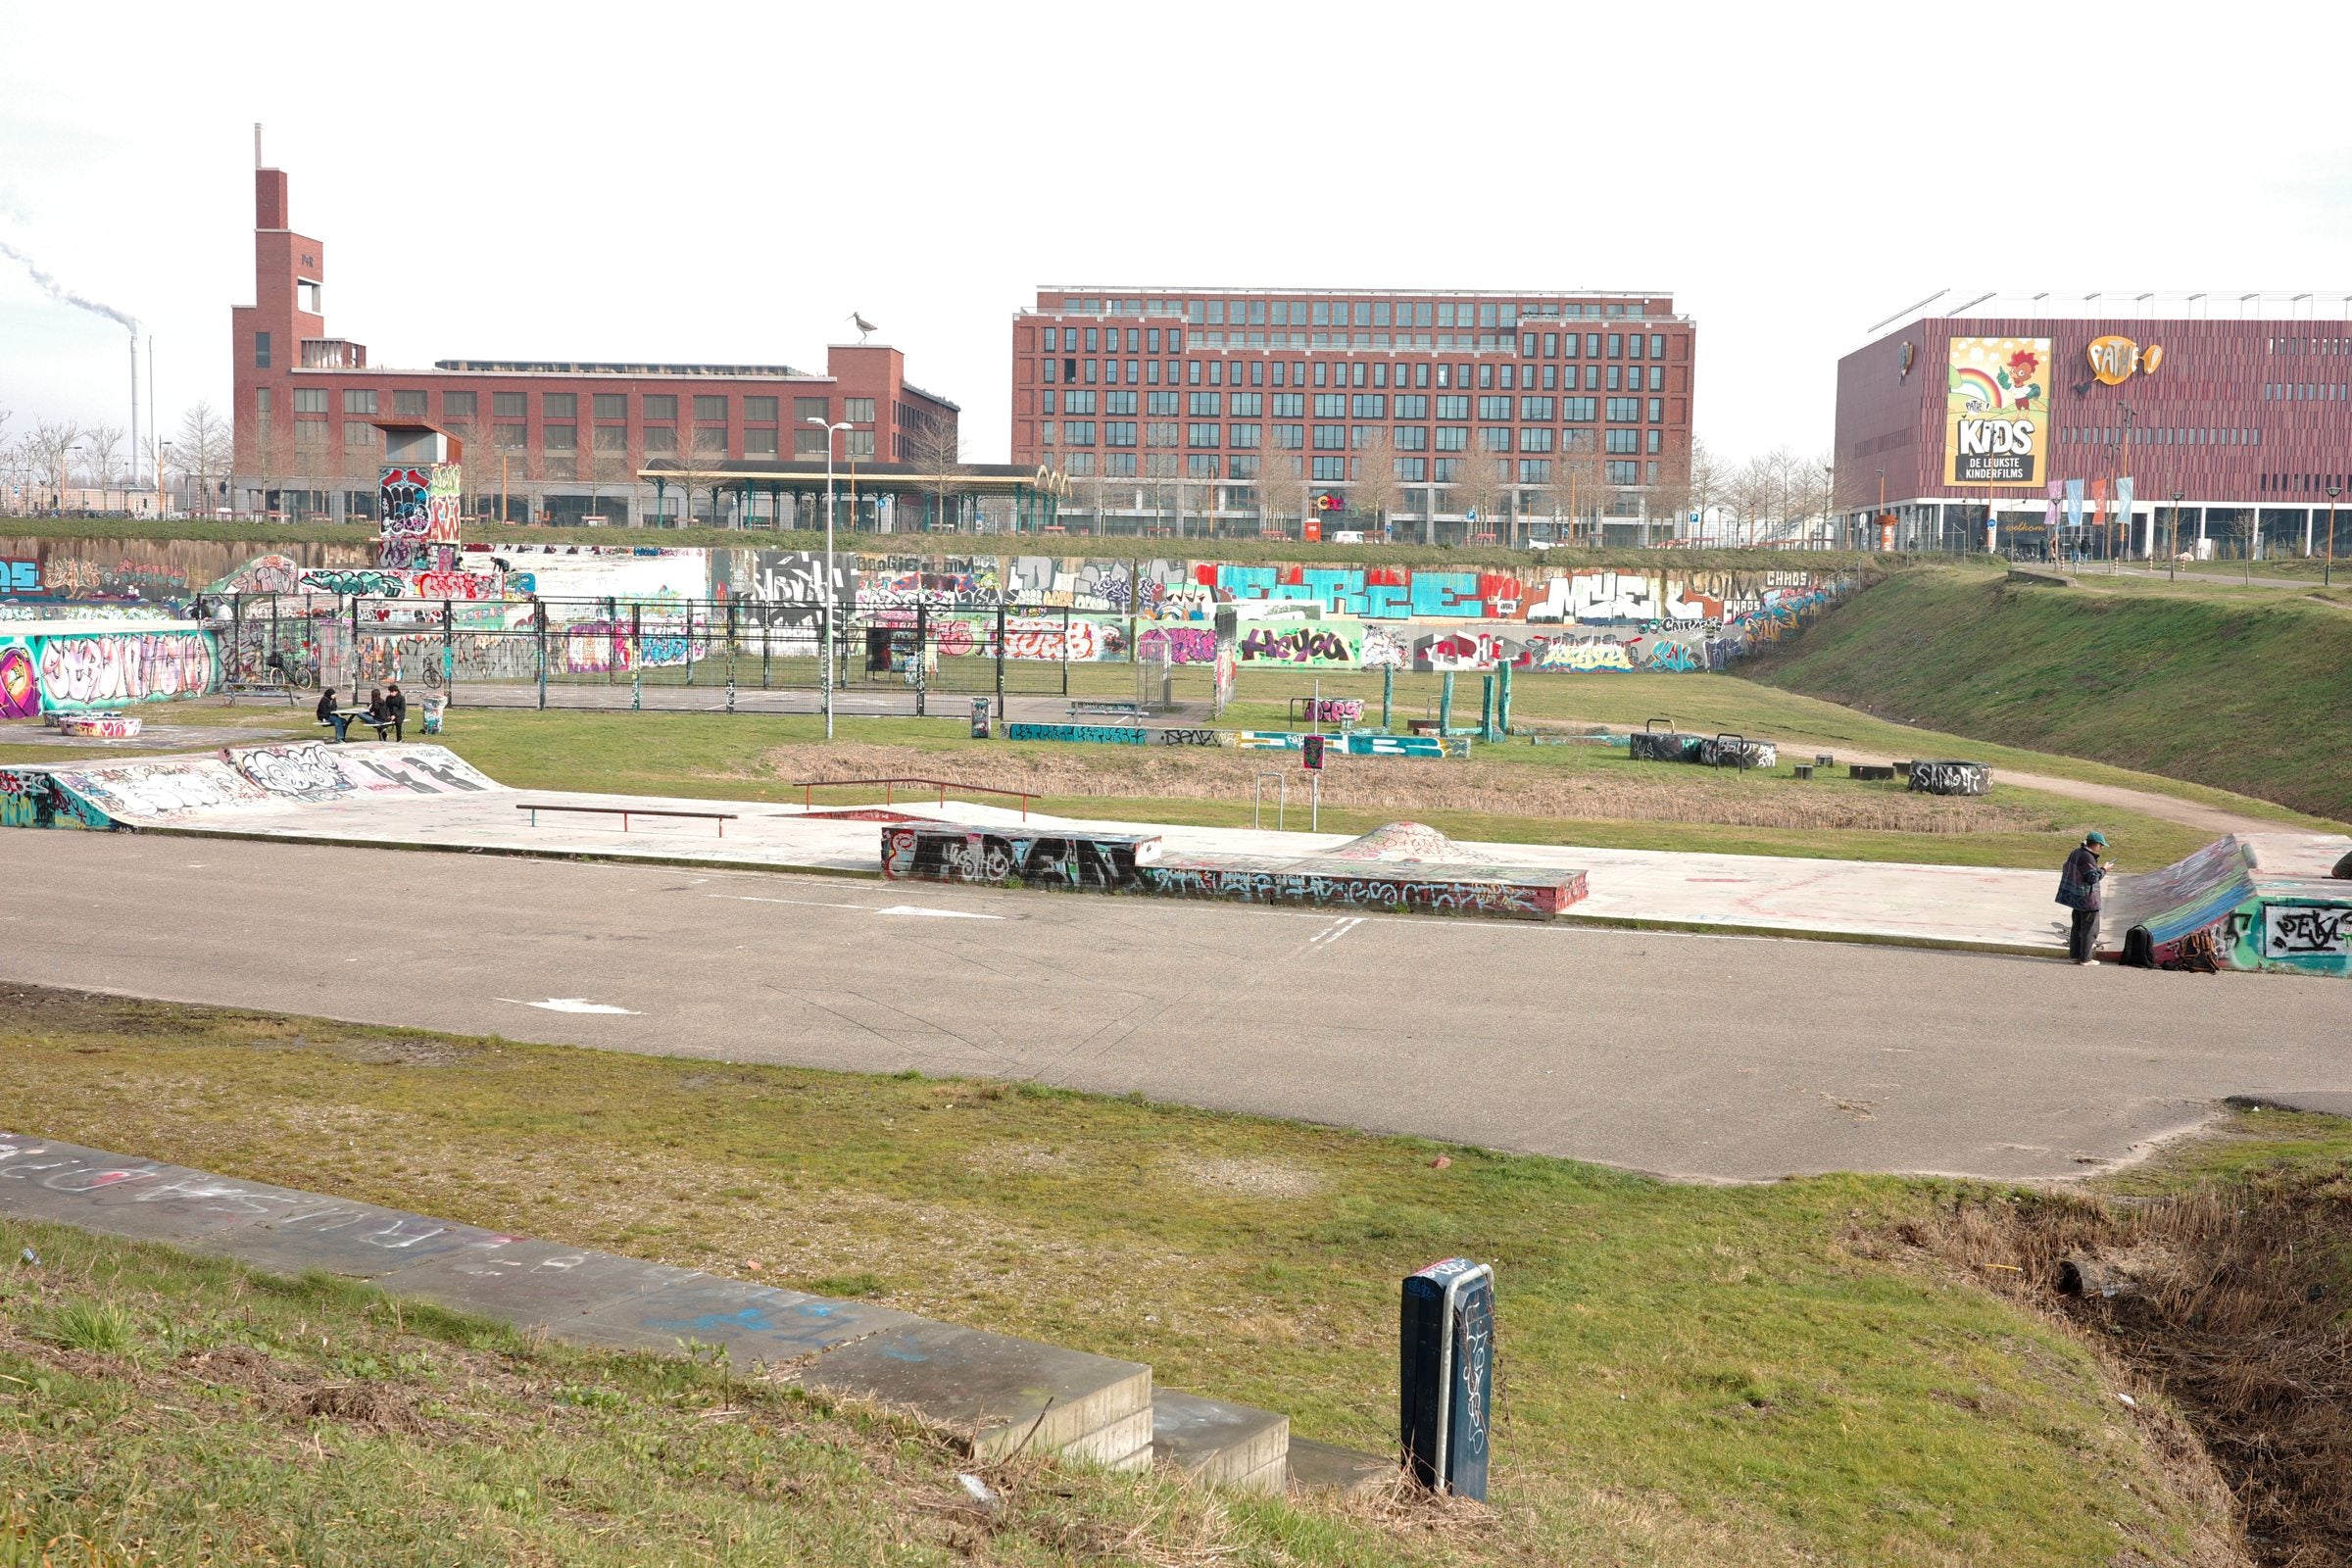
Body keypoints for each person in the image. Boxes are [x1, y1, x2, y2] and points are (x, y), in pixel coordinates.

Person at [2056, 830, 2113, 964]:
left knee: (2077, 928)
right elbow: (2093, 878)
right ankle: (2086, 959)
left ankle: (2075, 956)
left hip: (2076, 898)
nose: (2102, 848)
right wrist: (2104, 869)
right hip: (2087, 899)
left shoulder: (2076, 852)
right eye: (2101, 845)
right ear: (2095, 844)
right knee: (2090, 929)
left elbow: (2066, 868)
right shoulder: (2087, 857)